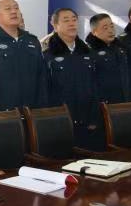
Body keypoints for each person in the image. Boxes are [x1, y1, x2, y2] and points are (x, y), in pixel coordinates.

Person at [42, 8, 101, 151]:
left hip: (86, 121)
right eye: (66, 20)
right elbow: (44, 91)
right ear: (55, 26)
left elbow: (95, 87)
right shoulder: (47, 55)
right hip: (60, 121)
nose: (72, 23)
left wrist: (94, 118)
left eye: (74, 20)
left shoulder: (87, 53)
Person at [0, 0, 48, 111]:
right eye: (8, 9)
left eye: (16, 8)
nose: (14, 11)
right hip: (2, 112)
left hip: (32, 110)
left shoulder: (31, 40)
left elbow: (42, 77)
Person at [86, 13, 131, 104]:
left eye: (112, 26)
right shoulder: (88, 52)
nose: (110, 30)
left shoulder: (120, 48)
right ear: (94, 32)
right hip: (103, 105)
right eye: (105, 28)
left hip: (125, 102)